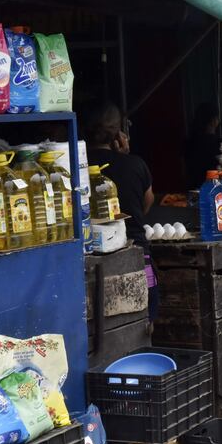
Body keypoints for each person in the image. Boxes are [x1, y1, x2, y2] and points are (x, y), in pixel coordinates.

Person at [84, 101, 159, 322]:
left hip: (92, 254)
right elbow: (147, 202)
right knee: (146, 316)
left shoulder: (75, 166)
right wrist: (125, 158)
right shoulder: (135, 164)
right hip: (135, 252)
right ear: (118, 135)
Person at [184, 102, 221, 190]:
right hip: (215, 190)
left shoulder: (189, 143)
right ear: (214, 121)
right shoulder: (220, 144)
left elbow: (184, 172)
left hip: (194, 189)